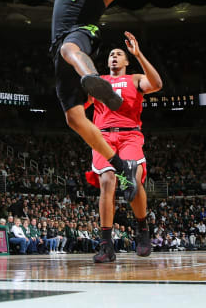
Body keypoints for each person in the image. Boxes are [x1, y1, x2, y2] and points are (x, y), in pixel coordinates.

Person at [38, 0, 141, 201]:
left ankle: (93, 80)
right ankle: (121, 167)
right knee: (74, 119)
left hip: (83, 34)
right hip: (60, 48)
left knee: (70, 49)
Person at [83, 33, 162, 262]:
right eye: (111, 55)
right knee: (107, 181)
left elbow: (157, 84)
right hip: (103, 138)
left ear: (126, 62)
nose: (114, 57)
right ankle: (106, 244)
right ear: (107, 62)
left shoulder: (136, 79)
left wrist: (139, 54)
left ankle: (142, 229)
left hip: (130, 136)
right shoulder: (99, 83)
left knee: (134, 182)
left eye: (119, 54)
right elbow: (80, 104)